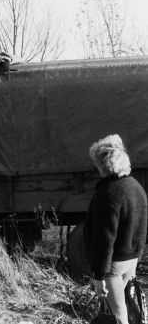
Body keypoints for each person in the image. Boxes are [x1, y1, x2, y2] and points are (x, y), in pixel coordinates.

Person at [83, 134, 147, 324]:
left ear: (103, 165)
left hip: (113, 267)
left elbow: (104, 240)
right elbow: (142, 228)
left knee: (119, 317)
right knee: (123, 309)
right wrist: (136, 256)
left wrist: (99, 276)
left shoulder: (108, 194)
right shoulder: (136, 187)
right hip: (131, 261)